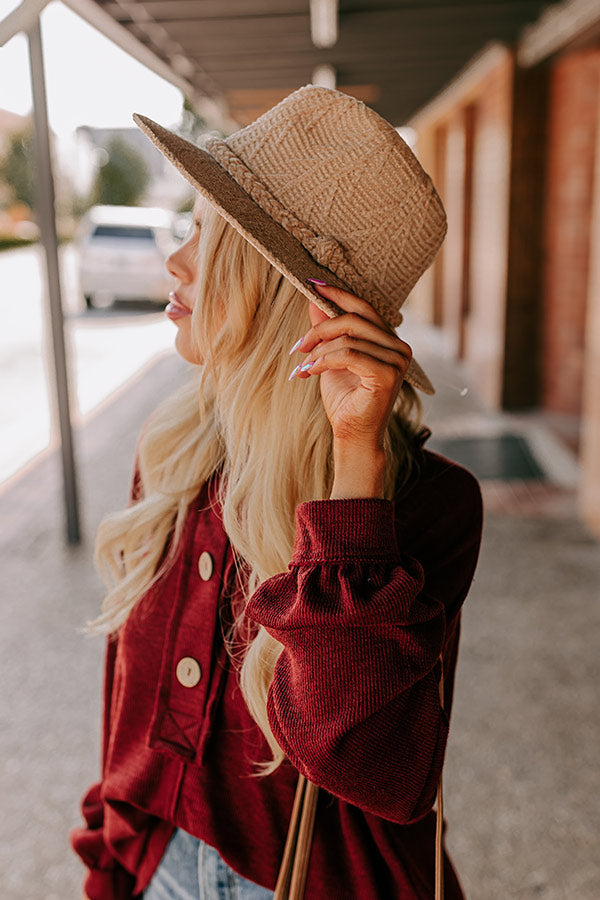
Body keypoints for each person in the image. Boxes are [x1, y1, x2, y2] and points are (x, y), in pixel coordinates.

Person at [72, 85, 483, 900]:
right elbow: (129, 717)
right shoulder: (175, 455)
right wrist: (115, 855)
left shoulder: (423, 503)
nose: (176, 262)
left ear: (292, 297)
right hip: (156, 871)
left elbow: (366, 764)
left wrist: (354, 462)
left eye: (207, 237)